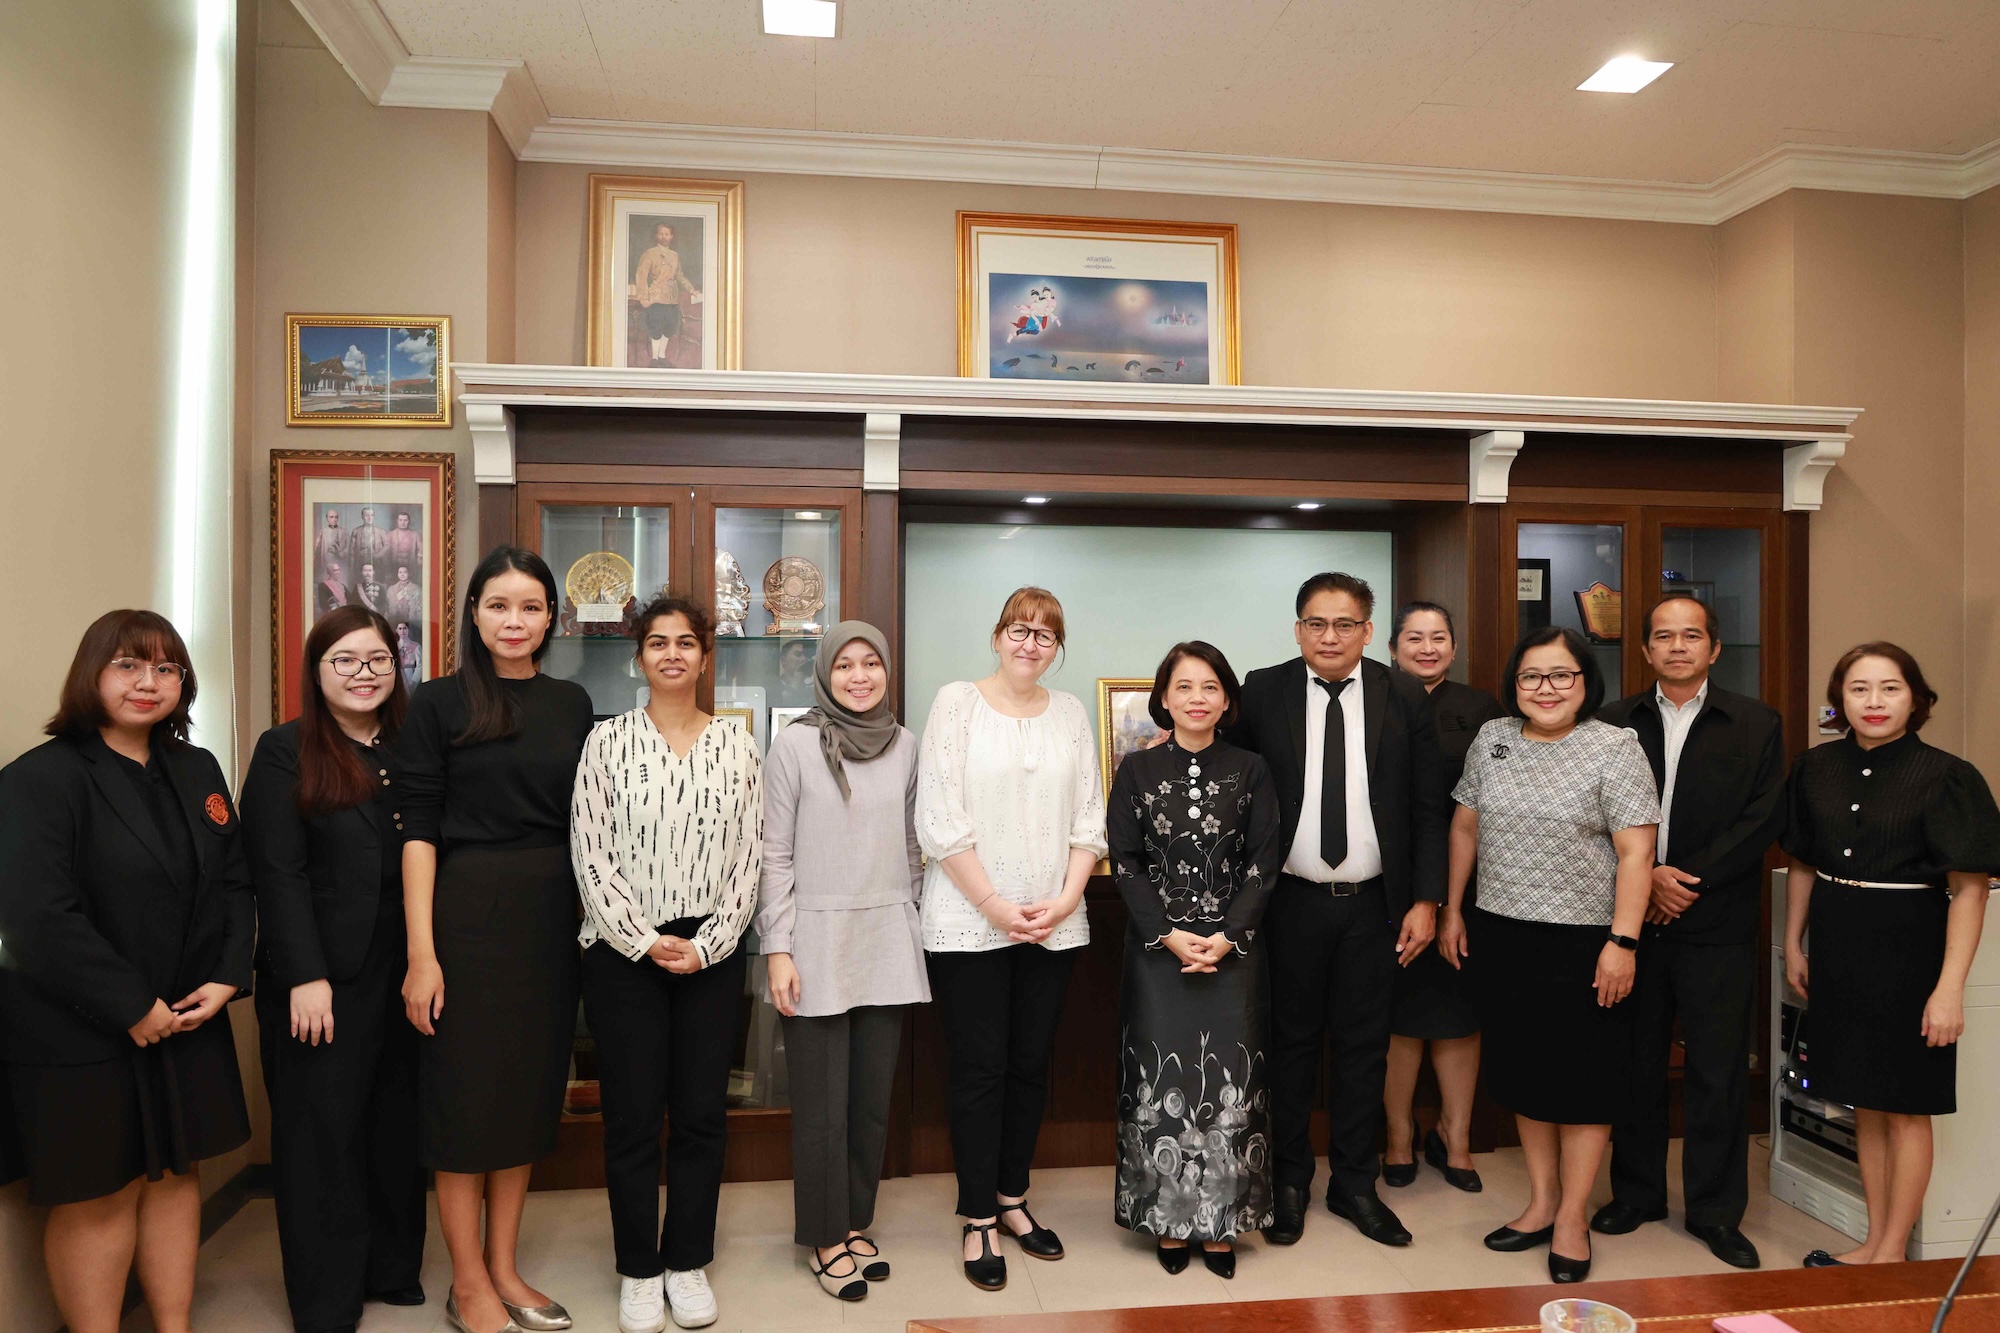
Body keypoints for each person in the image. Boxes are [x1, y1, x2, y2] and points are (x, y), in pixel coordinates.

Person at [0, 610, 253, 1333]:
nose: (149, 682)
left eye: (166, 668)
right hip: (78, 1029)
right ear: (91, 674)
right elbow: (37, 917)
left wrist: (229, 974)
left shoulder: (196, 767)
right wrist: (130, 1004)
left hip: (186, 1016)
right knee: (99, 1195)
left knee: (179, 1176)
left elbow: (235, 881)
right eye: (127, 665)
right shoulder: (39, 778)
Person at [1223, 572, 1449, 1249]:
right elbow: (1226, 762)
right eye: (1316, 623)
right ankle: (1288, 1181)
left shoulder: (1402, 692)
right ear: (1298, 629)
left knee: (1362, 1049)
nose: (1330, 635)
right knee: (1287, 1045)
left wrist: (1428, 898)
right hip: (1286, 900)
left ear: (1368, 630)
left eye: (1344, 623)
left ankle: (1356, 1182)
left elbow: (1427, 805)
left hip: (1373, 905)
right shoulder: (1263, 688)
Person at [400, 546, 595, 1333]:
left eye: (530, 606)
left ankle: (507, 1266)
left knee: (522, 1096)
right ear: (474, 613)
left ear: (553, 617)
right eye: (498, 605)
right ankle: (467, 1279)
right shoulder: (439, 702)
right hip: (463, 915)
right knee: (464, 1103)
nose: (514, 621)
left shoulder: (573, 702)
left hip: (552, 917)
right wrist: (422, 952)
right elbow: (416, 831)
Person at [1438, 626, 1658, 1285]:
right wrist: (1452, 906)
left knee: (1585, 1084)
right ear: (1514, 684)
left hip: (1587, 941)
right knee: (1528, 1076)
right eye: (1532, 675)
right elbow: (1464, 825)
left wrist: (1623, 941)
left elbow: (1636, 853)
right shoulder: (1493, 738)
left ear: (1587, 682)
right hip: (1504, 933)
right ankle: (1539, 1202)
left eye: (1562, 675)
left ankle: (1572, 1217)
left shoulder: (1615, 745)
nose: (1546, 688)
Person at [571, 597, 763, 1333]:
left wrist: (710, 942)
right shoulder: (607, 743)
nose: (674, 654)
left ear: (705, 656)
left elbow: (750, 855)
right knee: (631, 1115)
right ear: (639, 656)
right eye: (659, 642)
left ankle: (685, 1260)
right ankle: (638, 1269)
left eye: (687, 642)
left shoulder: (737, 745)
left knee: (701, 1113)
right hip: (625, 951)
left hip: (711, 950)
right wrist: (644, 938)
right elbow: (590, 853)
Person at [1782, 643, 2000, 1268]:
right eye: (1858, 689)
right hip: (1838, 939)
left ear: (1917, 698)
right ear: (1839, 699)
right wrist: (1794, 942)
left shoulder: (1948, 775)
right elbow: (1802, 858)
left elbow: (1969, 888)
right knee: (1863, 1100)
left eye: (1889, 688)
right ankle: (1875, 1242)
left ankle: (1893, 1254)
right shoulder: (1816, 767)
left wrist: (1950, 986)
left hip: (1912, 947)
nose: (1873, 702)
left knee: (1905, 1106)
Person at [241, 606, 426, 1333]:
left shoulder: (412, 747)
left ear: (397, 666)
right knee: (322, 1133)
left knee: (393, 1121)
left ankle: (391, 1268)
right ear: (316, 671)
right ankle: (326, 1299)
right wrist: (303, 974)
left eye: (377, 659)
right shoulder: (284, 749)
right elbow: (276, 872)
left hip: (404, 965)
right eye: (344, 660)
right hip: (319, 974)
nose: (363, 673)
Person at [917, 586, 1107, 1292]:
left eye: (1046, 635)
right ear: (997, 635)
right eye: (1020, 630)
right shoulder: (956, 703)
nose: (1031, 643)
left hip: (1054, 922)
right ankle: (976, 1218)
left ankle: (1013, 1199)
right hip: (970, 919)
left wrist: (1063, 899)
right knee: (979, 1068)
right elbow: (938, 816)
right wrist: (995, 904)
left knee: (1030, 1064)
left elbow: (1089, 819)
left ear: (1058, 649)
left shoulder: (1069, 713)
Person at [1592, 594, 1785, 1269]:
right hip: (1632, 927)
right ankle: (1637, 1193)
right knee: (1635, 1065)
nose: (1678, 646)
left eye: (1691, 635)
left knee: (1716, 1072)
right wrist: (1645, 887)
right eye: (1664, 637)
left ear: (1714, 647)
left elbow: (1762, 821)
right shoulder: (1613, 720)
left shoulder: (1756, 722)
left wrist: (1681, 881)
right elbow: (1595, 816)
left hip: (1718, 923)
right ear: (1644, 650)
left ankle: (1715, 1210)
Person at [755, 622, 927, 1304]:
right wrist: (777, 949)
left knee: (870, 1099)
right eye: (846, 665)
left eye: (872, 663)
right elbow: (773, 854)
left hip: (887, 932)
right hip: (815, 938)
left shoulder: (906, 744)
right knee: (822, 1105)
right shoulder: (795, 744)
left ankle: (854, 1218)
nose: (860, 675)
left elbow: (914, 842)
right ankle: (824, 1235)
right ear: (825, 673)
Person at [1107, 641, 1282, 1280]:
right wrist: (1168, 935)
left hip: (1236, 952)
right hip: (1159, 953)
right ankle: (1166, 1219)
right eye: (1184, 687)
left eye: (1209, 687)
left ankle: (1222, 1224)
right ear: (1163, 698)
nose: (1197, 698)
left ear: (1227, 699)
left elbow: (1265, 860)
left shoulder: (1252, 769)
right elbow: (1124, 860)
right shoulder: (1136, 771)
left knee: (1231, 1079)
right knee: (1163, 1076)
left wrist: (1230, 935)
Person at [1380, 601, 1502, 1195]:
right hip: (1385, 887)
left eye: (1438, 638)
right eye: (1414, 637)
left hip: (1465, 886)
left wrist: (1451, 903)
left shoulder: (1481, 710)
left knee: (1458, 1018)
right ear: (1392, 646)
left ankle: (1456, 1137)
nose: (1426, 648)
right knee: (1396, 1017)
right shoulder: (1373, 697)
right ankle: (1398, 1136)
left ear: (1453, 647)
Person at [633, 223, 700, 364]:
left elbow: (679, 275)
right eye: (661, 233)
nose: (664, 237)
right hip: (656, 297)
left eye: (667, 234)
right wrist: (643, 297)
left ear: (671, 236)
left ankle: (662, 357)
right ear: (657, 235)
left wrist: (691, 289)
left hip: (672, 298)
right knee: (656, 327)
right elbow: (641, 275)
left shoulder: (675, 255)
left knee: (670, 327)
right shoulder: (650, 253)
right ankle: (654, 358)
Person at [349, 506, 389, 574]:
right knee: (360, 582)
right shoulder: (356, 531)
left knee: (376, 581)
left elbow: (387, 546)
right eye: (367, 515)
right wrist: (351, 566)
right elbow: (351, 551)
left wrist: (378, 555)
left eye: (372, 515)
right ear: (362, 517)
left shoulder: (380, 531)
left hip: (376, 562)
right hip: (360, 562)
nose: (370, 518)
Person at [386, 508, 423, 576]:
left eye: (405, 520)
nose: (403, 523)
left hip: (410, 566)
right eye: (401, 520)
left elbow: (421, 549)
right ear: (397, 521)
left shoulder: (415, 535)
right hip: (394, 566)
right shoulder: (390, 535)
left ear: (409, 521)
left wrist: (419, 557)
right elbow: (385, 551)